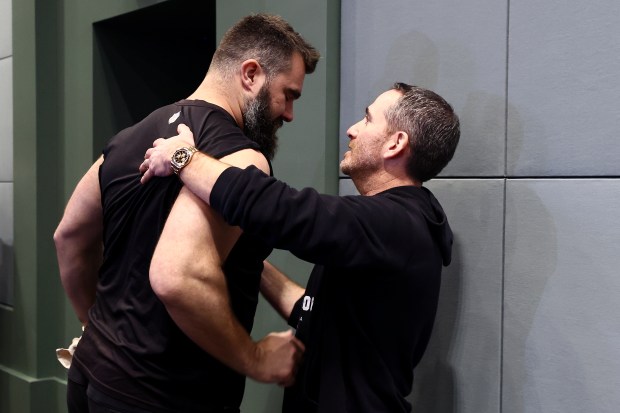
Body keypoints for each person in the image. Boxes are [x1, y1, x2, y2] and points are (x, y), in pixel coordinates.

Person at [54, 13, 320, 413]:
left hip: (91, 376)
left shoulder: (131, 137)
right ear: (251, 74)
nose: (288, 114)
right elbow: (177, 276)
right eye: (290, 94)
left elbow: (69, 237)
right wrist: (255, 358)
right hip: (163, 397)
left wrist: (96, 329)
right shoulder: (244, 157)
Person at [140, 82, 461, 413]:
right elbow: (314, 308)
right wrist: (248, 258)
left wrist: (183, 157)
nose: (352, 130)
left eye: (367, 119)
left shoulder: (396, 224)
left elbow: (284, 210)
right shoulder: (390, 229)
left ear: (395, 144)